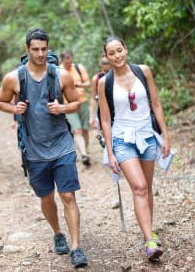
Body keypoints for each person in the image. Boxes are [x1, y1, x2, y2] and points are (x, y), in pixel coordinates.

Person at [0, 28, 88, 268]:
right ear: (27, 49)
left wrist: (62, 109)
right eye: (35, 49)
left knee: (68, 195)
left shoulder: (61, 76)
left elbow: (77, 103)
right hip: (34, 149)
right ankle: (58, 232)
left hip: (62, 144)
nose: (40, 54)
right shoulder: (14, 78)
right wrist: (14, 110)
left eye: (44, 49)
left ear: (49, 49)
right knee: (46, 197)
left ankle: (76, 247)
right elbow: (0, 102)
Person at [98, 36, 171, 260]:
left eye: (120, 50)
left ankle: (149, 231)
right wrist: (110, 152)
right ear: (106, 57)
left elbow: (156, 104)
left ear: (126, 50)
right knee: (138, 187)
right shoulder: (104, 83)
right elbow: (106, 119)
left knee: (147, 187)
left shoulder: (143, 71)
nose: (117, 56)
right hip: (122, 139)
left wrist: (165, 137)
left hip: (147, 136)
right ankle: (150, 241)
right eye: (112, 53)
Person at [60, 50, 92, 166]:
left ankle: (85, 151)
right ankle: (84, 154)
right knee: (76, 129)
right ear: (62, 60)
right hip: (68, 104)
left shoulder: (79, 67)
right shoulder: (59, 71)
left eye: (70, 59)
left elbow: (88, 83)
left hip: (82, 101)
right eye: (66, 60)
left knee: (84, 130)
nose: (69, 62)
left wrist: (79, 85)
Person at [89, 56, 111, 148]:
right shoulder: (97, 78)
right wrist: (91, 116)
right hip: (102, 111)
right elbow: (93, 97)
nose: (105, 67)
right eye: (103, 64)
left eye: (107, 64)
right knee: (106, 136)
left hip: (116, 109)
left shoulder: (117, 75)